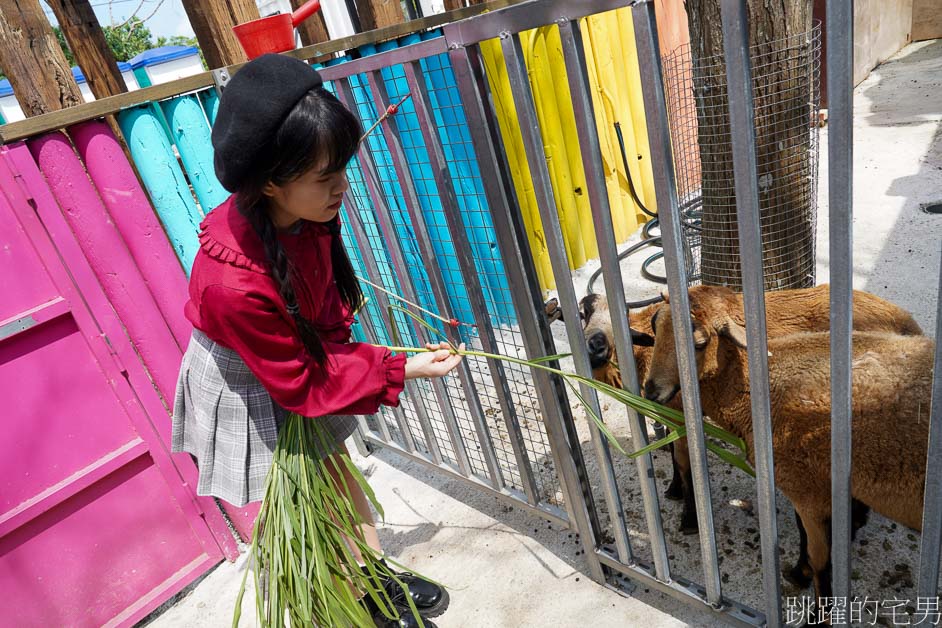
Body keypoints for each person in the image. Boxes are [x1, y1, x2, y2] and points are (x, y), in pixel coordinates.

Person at [171, 53, 462, 628]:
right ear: (273, 183)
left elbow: (322, 299)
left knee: (336, 468)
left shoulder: (305, 214)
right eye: (325, 178)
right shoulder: (234, 284)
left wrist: (362, 355)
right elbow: (300, 385)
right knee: (307, 497)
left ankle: (374, 577)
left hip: (299, 356)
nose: (341, 188)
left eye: (342, 170)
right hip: (249, 378)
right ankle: (347, 598)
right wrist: (398, 368)